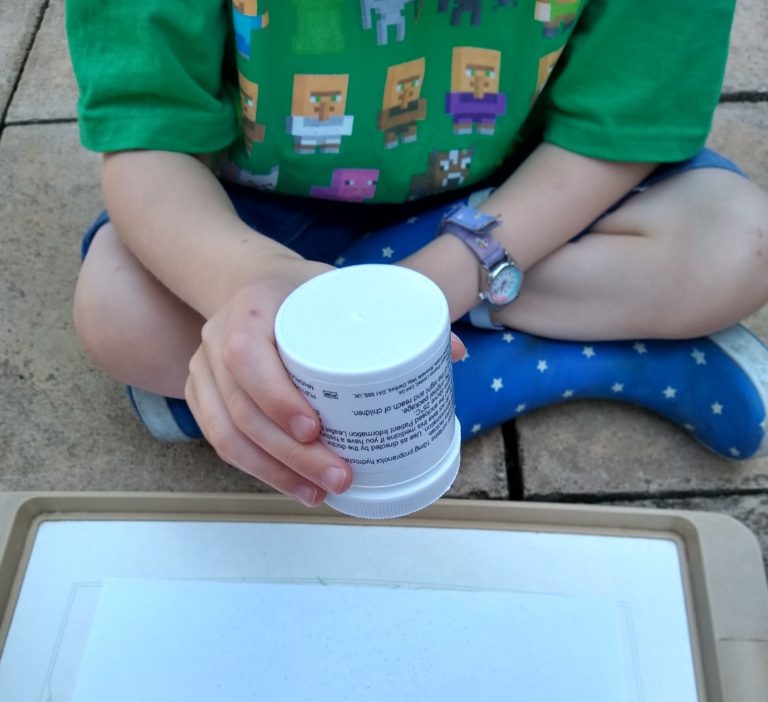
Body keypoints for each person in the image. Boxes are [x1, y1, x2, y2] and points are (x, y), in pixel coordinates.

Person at [67, 0, 768, 507]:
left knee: (739, 244)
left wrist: (443, 276)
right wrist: (245, 278)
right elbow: (148, 140)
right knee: (122, 311)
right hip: (269, 211)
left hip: (528, 193)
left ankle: (325, 393)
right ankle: (581, 352)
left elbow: (617, 131)